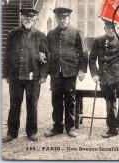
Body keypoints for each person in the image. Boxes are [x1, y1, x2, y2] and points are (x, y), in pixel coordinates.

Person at [2, 8, 48, 143]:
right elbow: (7, 56)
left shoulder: (40, 35)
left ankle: (32, 132)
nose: (28, 20)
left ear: (35, 20)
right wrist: (6, 74)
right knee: (14, 104)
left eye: (31, 18)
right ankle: (12, 132)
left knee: (32, 105)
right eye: (25, 17)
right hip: (15, 76)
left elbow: (46, 57)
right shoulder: (12, 34)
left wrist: (43, 75)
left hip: (33, 77)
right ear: (21, 18)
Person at [45, 7, 88, 138]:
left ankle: (70, 127)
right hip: (55, 73)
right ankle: (57, 126)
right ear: (57, 19)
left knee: (70, 100)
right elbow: (46, 53)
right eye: (60, 18)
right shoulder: (51, 34)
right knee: (56, 100)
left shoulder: (76, 32)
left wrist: (81, 70)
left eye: (65, 18)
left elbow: (84, 53)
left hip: (70, 72)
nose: (62, 20)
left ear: (69, 18)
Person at [89, 19, 119, 138]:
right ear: (104, 29)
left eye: (113, 29)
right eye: (108, 28)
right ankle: (112, 128)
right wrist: (94, 74)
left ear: (117, 29)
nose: (110, 31)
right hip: (105, 77)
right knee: (110, 103)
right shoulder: (98, 41)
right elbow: (92, 59)